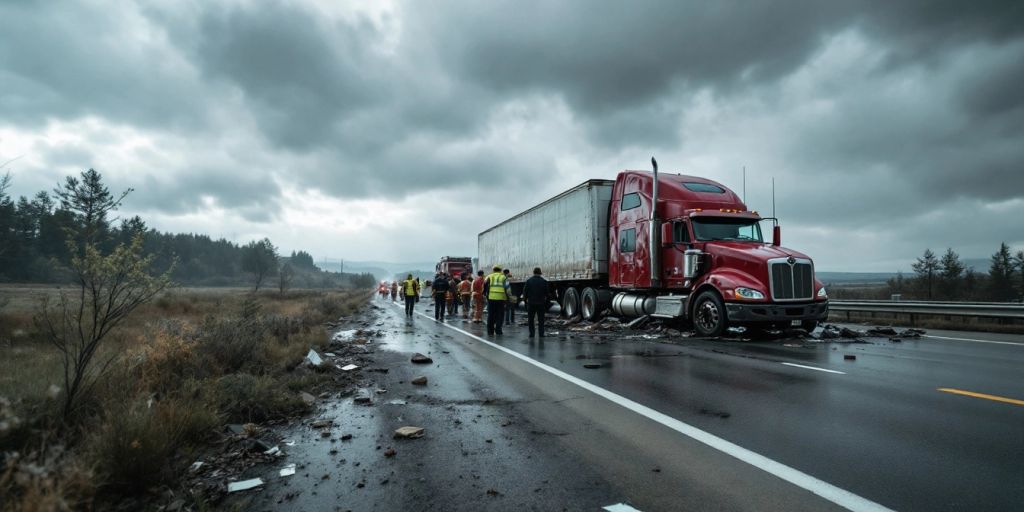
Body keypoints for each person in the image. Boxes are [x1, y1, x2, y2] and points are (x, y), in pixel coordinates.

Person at [521, 267, 549, 337]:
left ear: (533, 272)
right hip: (541, 303)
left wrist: (525, 301)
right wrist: (546, 301)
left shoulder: (529, 281)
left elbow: (525, 292)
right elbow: (547, 293)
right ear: (540, 273)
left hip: (531, 303)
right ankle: (541, 334)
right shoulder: (544, 281)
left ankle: (532, 333)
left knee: (531, 319)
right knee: (541, 320)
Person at [483, 265, 509, 335]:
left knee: (491, 315)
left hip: (491, 298)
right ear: (500, 270)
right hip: (501, 298)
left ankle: (490, 332)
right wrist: (509, 297)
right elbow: (508, 288)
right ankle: (498, 330)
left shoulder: (489, 277)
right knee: (500, 315)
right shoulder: (504, 277)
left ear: (493, 270)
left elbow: (484, 286)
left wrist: (485, 295)